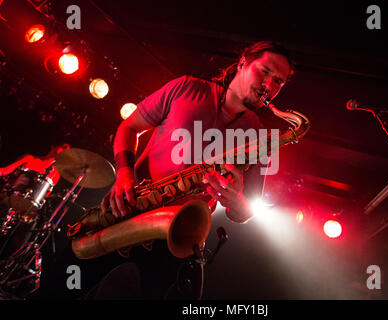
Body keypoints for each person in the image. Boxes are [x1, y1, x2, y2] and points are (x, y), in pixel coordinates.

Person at [89, 41, 295, 300]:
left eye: (278, 82)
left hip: (177, 240)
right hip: (127, 207)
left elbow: (246, 211)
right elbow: (129, 128)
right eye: (265, 71)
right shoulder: (186, 87)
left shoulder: (258, 137)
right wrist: (124, 174)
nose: (269, 85)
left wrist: (238, 201)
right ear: (243, 61)